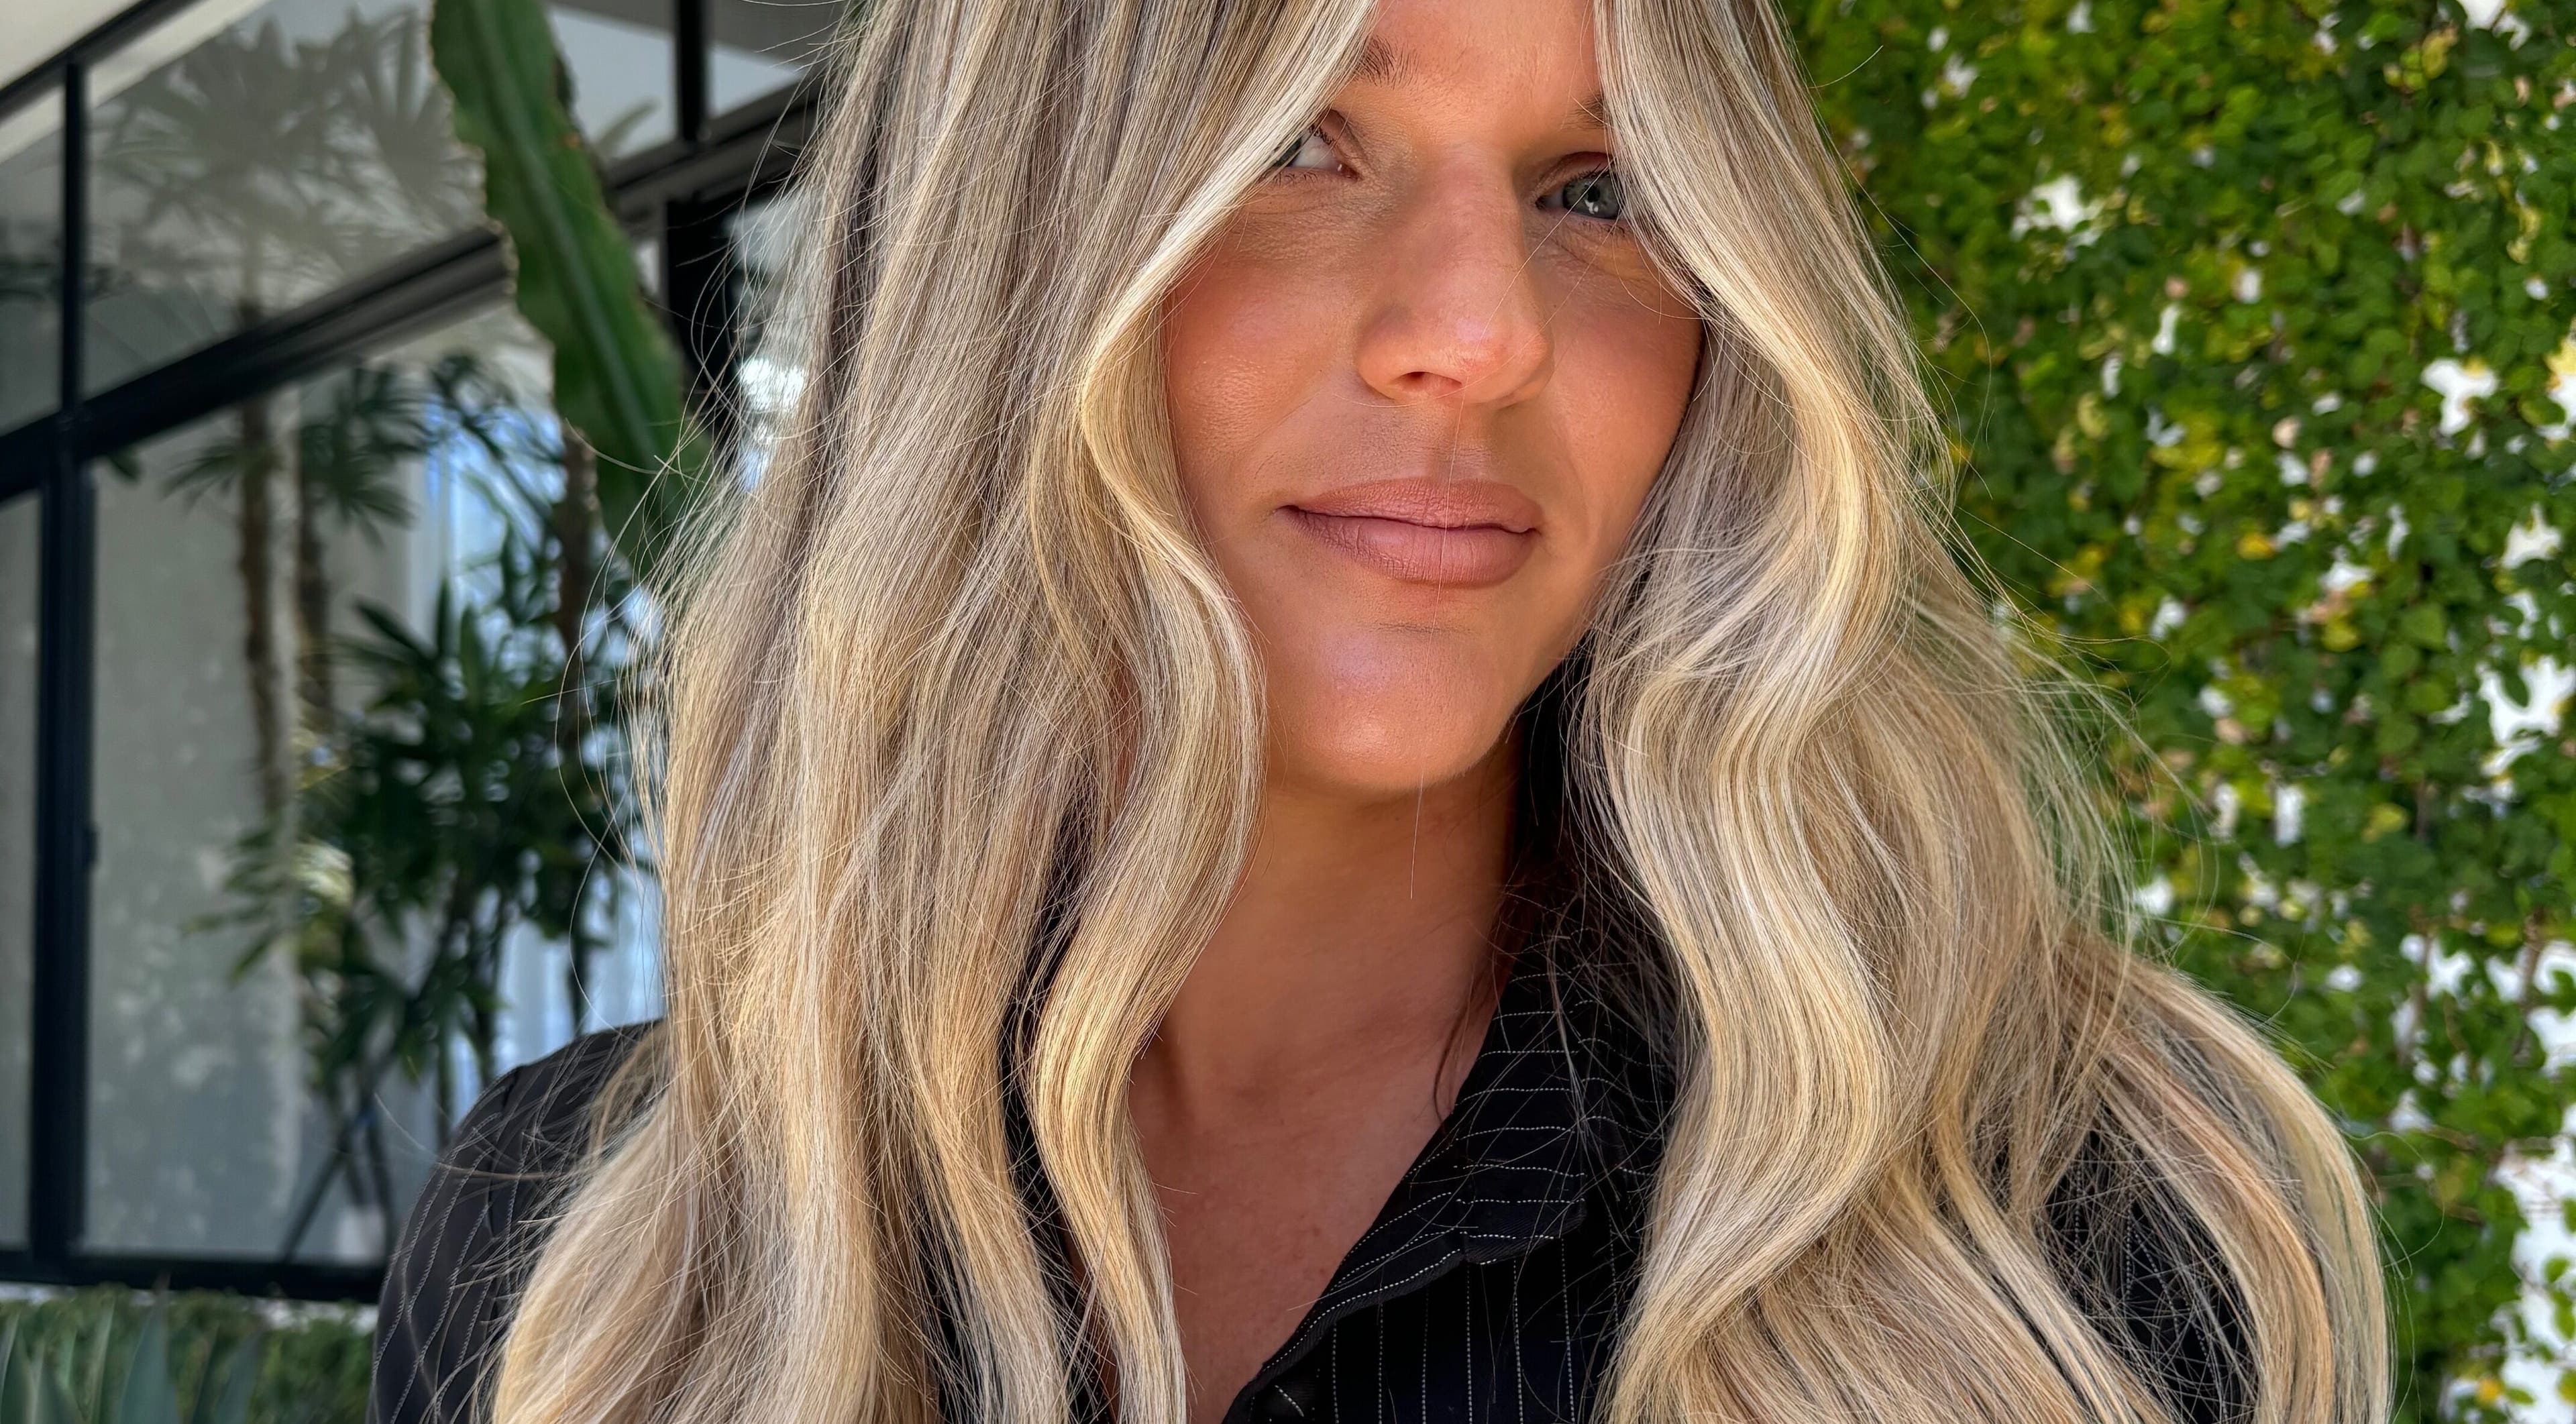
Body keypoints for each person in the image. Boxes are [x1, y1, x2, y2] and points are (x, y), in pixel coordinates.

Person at [368, 0, 2391, 1419]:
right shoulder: (593, 1264)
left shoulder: (2053, 1225)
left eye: (1598, 190)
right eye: (1298, 146)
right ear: (1008, 261)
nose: (1485, 334)